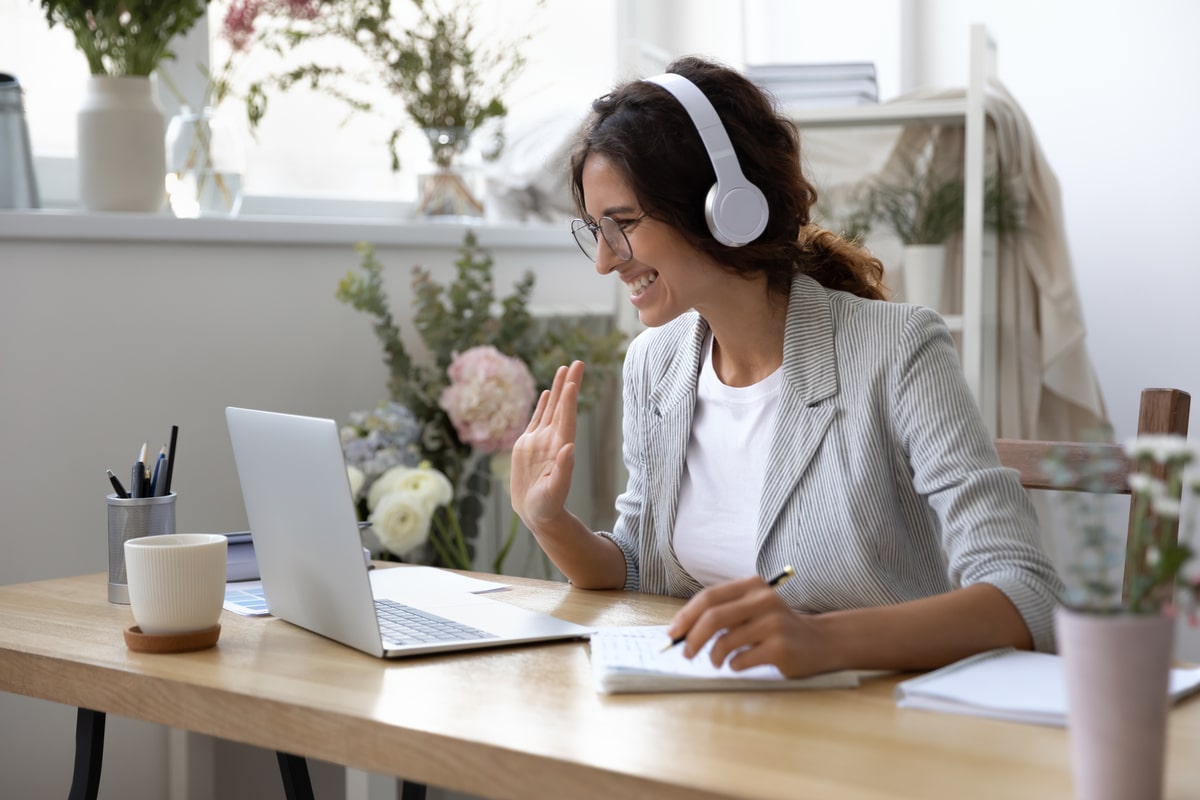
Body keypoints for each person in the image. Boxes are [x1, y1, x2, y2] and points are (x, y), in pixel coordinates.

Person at [509, 55, 1063, 679]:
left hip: (875, 731)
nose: (606, 262)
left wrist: (822, 642)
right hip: (701, 723)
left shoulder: (898, 350)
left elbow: (1028, 598)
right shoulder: (655, 364)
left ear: (723, 204)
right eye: (594, 230)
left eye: (624, 225)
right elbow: (638, 566)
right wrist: (550, 522)